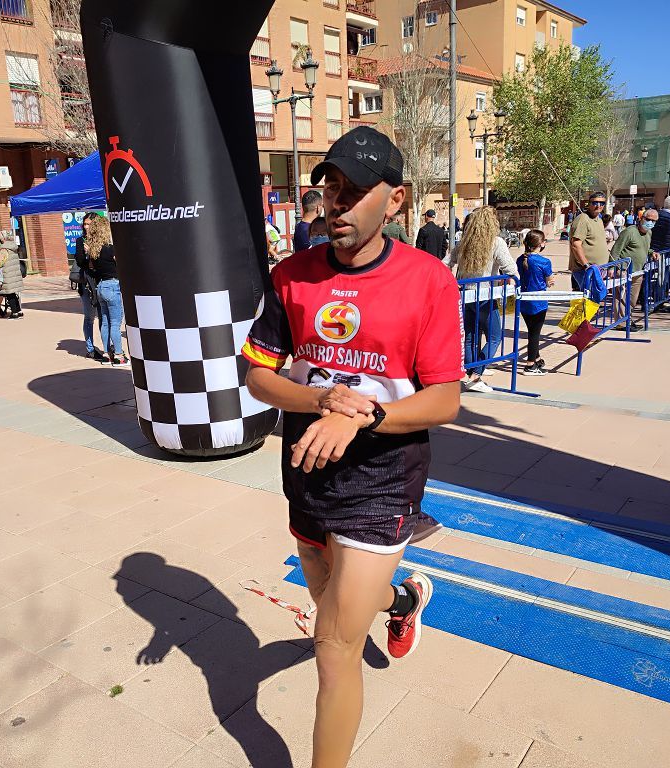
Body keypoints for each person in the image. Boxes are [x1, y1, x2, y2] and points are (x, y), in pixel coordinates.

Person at [241, 125, 462, 768]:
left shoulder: (428, 280)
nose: (336, 203)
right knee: (331, 596)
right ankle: (406, 599)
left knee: (334, 645)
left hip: (384, 479)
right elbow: (257, 375)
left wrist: (362, 417)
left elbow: (444, 400)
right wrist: (322, 402)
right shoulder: (292, 276)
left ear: (396, 200)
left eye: (355, 190)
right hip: (307, 472)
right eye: (330, 186)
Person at [449, 205, 519, 393]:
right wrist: (512, 280)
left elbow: (445, 263)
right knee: (496, 336)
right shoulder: (496, 243)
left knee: (471, 338)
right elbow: (511, 269)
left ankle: (472, 373)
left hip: (464, 296)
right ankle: (475, 375)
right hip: (485, 297)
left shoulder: (464, 242)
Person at [611, 207, 657, 331]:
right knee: (621, 297)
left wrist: (651, 252)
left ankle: (628, 319)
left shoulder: (649, 233)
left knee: (632, 299)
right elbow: (616, 250)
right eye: (648, 219)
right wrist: (612, 267)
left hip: (638, 270)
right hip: (624, 270)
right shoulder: (629, 232)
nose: (651, 223)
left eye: (654, 221)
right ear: (641, 218)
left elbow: (644, 248)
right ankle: (621, 323)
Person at [516, 229, 554, 375]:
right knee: (535, 333)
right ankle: (530, 364)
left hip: (524, 300)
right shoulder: (544, 262)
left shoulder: (520, 259)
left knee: (532, 330)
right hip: (538, 301)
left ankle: (536, 357)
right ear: (541, 244)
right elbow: (549, 281)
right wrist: (550, 282)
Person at [91, 228, 128, 366]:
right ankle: (118, 355)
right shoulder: (110, 249)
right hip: (113, 286)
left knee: (105, 322)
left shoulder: (94, 251)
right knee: (115, 323)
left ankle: (107, 354)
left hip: (101, 286)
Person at [75, 214, 108, 360]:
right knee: (89, 317)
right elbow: (80, 261)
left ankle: (107, 348)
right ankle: (90, 349)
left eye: (89, 224)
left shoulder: (103, 241)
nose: (86, 227)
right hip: (87, 285)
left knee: (103, 316)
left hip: (102, 283)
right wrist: (87, 255)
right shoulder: (80, 241)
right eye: (84, 224)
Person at [568, 192, 610, 290]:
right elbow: (576, 245)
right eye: (595, 202)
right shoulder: (583, 219)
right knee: (589, 300)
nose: (598, 206)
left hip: (598, 269)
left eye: (602, 203)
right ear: (589, 203)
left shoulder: (599, 219)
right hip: (585, 270)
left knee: (595, 300)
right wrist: (586, 265)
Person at [0, 239, 24, 318]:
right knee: (13, 293)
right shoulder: (13, 248)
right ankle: (19, 311)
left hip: (7, 273)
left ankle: (14, 313)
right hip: (14, 273)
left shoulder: (4, 250)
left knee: (9, 294)